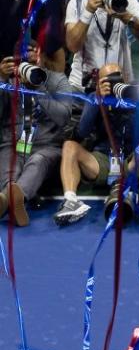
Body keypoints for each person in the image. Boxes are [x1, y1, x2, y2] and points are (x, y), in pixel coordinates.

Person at [57, 63, 139, 226]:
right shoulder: (93, 98)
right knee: (69, 146)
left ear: (124, 77)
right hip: (102, 161)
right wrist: (98, 101)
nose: (112, 82)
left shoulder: (135, 95)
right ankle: (71, 201)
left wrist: (129, 103)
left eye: (116, 76)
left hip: (130, 161)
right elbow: (82, 132)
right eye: (107, 80)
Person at [0, 44, 71, 226]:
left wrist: (38, 89)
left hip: (46, 146)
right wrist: (1, 80)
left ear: (41, 56)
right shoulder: (6, 81)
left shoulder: (57, 80)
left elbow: (63, 117)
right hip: (12, 143)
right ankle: (14, 199)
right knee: (10, 167)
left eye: (31, 56)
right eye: (22, 60)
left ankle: (11, 199)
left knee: (38, 161)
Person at [65, 0, 139, 91]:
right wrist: (88, 11)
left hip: (119, 84)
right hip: (82, 85)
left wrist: (126, 17)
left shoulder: (126, 0)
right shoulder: (77, 3)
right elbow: (72, 46)